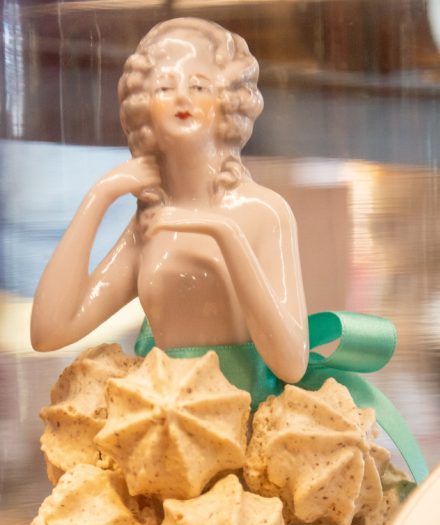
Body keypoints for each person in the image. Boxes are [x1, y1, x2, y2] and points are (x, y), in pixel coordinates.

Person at [30, 18, 309, 384]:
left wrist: (224, 231)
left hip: (246, 411)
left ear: (227, 101)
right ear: (144, 108)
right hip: (166, 410)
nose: (182, 97)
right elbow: (49, 332)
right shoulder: (148, 226)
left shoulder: (265, 212)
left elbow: (292, 363)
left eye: (199, 86)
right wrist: (100, 196)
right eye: (164, 87)